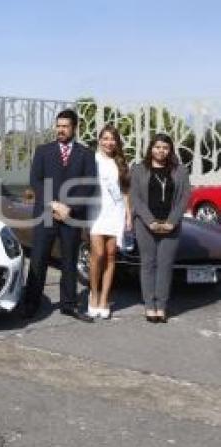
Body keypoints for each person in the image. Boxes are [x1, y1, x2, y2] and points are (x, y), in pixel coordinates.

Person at [21, 108, 98, 322]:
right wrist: (54, 204)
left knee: (70, 260)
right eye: (58, 126)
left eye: (65, 126)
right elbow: (36, 181)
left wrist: (69, 208)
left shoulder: (86, 154)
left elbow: (88, 185)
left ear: (75, 128)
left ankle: (69, 304)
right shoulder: (43, 151)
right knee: (38, 259)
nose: (60, 130)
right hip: (46, 213)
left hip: (71, 216)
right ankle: (31, 303)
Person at [130, 133, 191, 323]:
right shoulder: (139, 169)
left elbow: (184, 197)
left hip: (171, 224)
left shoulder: (180, 170)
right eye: (157, 147)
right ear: (151, 148)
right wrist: (150, 221)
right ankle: (149, 306)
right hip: (145, 224)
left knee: (165, 265)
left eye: (165, 148)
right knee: (148, 264)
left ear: (170, 150)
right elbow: (135, 198)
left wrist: (172, 221)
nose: (161, 151)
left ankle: (161, 307)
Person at [88, 125, 131, 319]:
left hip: (116, 212)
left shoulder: (120, 162)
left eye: (112, 139)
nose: (108, 142)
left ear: (117, 142)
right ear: (99, 140)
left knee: (111, 255)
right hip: (96, 212)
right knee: (98, 254)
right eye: (105, 138)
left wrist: (128, 214)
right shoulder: (92, 160)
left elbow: (125, 191)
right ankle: (94, 294)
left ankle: (105, 298)